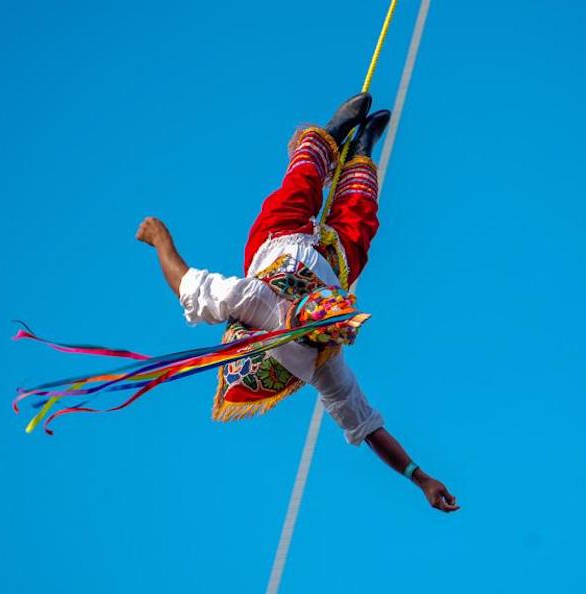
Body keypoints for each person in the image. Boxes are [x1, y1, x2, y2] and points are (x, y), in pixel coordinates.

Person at [135, 93, 459, 513]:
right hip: (334, 264)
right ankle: (360, 155)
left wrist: (161, 241)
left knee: (299, 188)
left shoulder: (252, 303)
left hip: (278, 238)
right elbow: (368, 426)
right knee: (359, 222)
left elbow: (189, 289)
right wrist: (421, 477)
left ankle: (327, 138)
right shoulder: (323, 363)